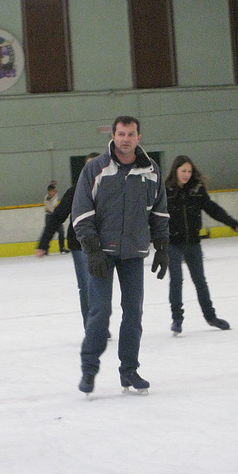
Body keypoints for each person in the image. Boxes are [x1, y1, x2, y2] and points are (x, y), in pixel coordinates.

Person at [72, 116, 170, 395]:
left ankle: (129, 371)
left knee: (133, 313)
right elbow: (81, 211)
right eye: (121, 133)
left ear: (139, 137)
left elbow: (159, 211)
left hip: (133, 252)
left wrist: (161, 245)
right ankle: (88, 370)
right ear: (113, 136)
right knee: (100, 311)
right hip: (102, 253)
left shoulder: (151, 170)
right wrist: (91, 250)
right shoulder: (95, 169)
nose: (125, 138)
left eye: (131, 134)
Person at [165, 155, 238, 335]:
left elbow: (213, 209)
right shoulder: (166, 190)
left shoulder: (197, 190)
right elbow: (153, 215)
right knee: (176, 281)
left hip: (192, 242)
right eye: (183, 170)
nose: (186, 174)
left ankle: (211, 317)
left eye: (189, 171)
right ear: (175, 170)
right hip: (172, 242)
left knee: (200, 281)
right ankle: (177, 319)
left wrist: (232, 222)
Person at [35, 153, 100, 330]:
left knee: (100, 286)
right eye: (88, 166)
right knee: (86, 286)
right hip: (80, 244)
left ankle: (99, 322)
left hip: (103, 245)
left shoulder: (110, 190)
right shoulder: (75, 191)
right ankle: (92, 326)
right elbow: (56, 217)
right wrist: (43, 243)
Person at [42, 184, 69, 254]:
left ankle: (62, 248)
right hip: (50, 216)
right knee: (49, 233)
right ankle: (45, 249)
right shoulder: (47, 198)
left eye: (54, 191)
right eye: (52, 191)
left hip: (57, 216)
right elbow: (50, 208)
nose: (54, 193)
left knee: (61, 232)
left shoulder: (56, 197)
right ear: (49, 192)